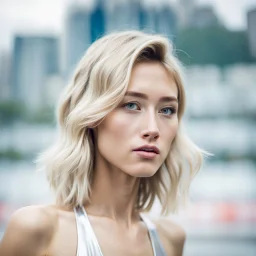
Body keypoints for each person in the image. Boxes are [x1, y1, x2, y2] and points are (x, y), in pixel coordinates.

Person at [0, 30, 206, 256]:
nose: (153, 129)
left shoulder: (171, 239)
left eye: (167, 110)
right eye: (131, 105)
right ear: (92, 114)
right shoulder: (38, 230)